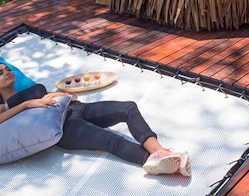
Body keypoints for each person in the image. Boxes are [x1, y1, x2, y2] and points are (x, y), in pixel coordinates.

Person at [0, 63, 190, 176]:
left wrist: (57, 95)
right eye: (1, 72)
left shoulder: (30, 89)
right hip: (67, 127)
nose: (8, 72)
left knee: (128, 107)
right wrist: (26, 105)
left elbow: (70, 96)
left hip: (76, 108)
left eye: (7, 68)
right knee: (110, 140)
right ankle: (168, 165)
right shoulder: (5, 104)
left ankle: (159, 153)